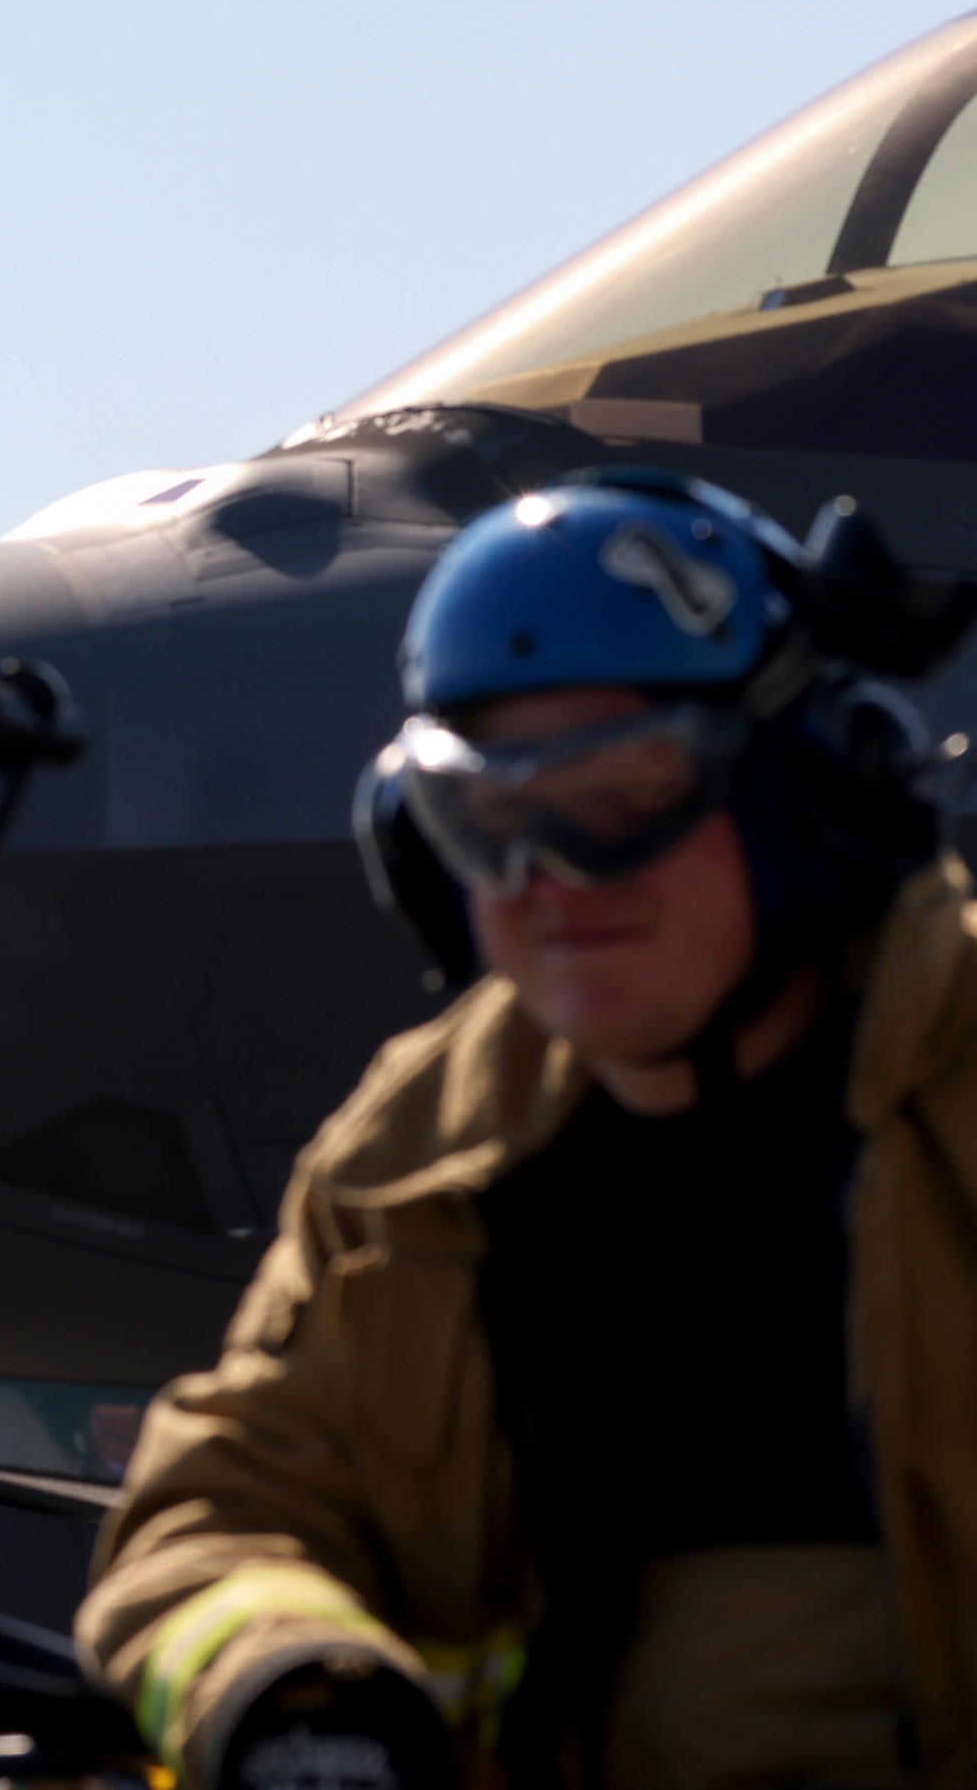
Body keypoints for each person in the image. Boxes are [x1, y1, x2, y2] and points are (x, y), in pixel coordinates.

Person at [80, 475, 977, 1790]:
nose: (548, 874)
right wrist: (286, 1673)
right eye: (486, 818)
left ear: (809, 785)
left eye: (618, 799)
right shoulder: (415, 1155)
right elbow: (222, 1498)